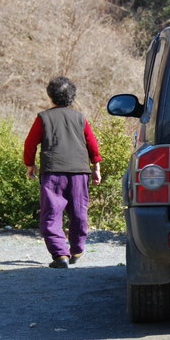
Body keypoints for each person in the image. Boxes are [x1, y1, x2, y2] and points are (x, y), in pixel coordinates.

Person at [24, 76, 102, 269]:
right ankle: (77, 250)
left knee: (52, 213)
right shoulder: (80, 118)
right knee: (79, 211)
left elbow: (30, 143)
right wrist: (96, 167)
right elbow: (92, 143)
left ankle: (60, 255)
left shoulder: (43, 117)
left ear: (51, 97)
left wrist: (30, 164)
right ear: (72, 97)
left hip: (53, 172)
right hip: (79, 172)